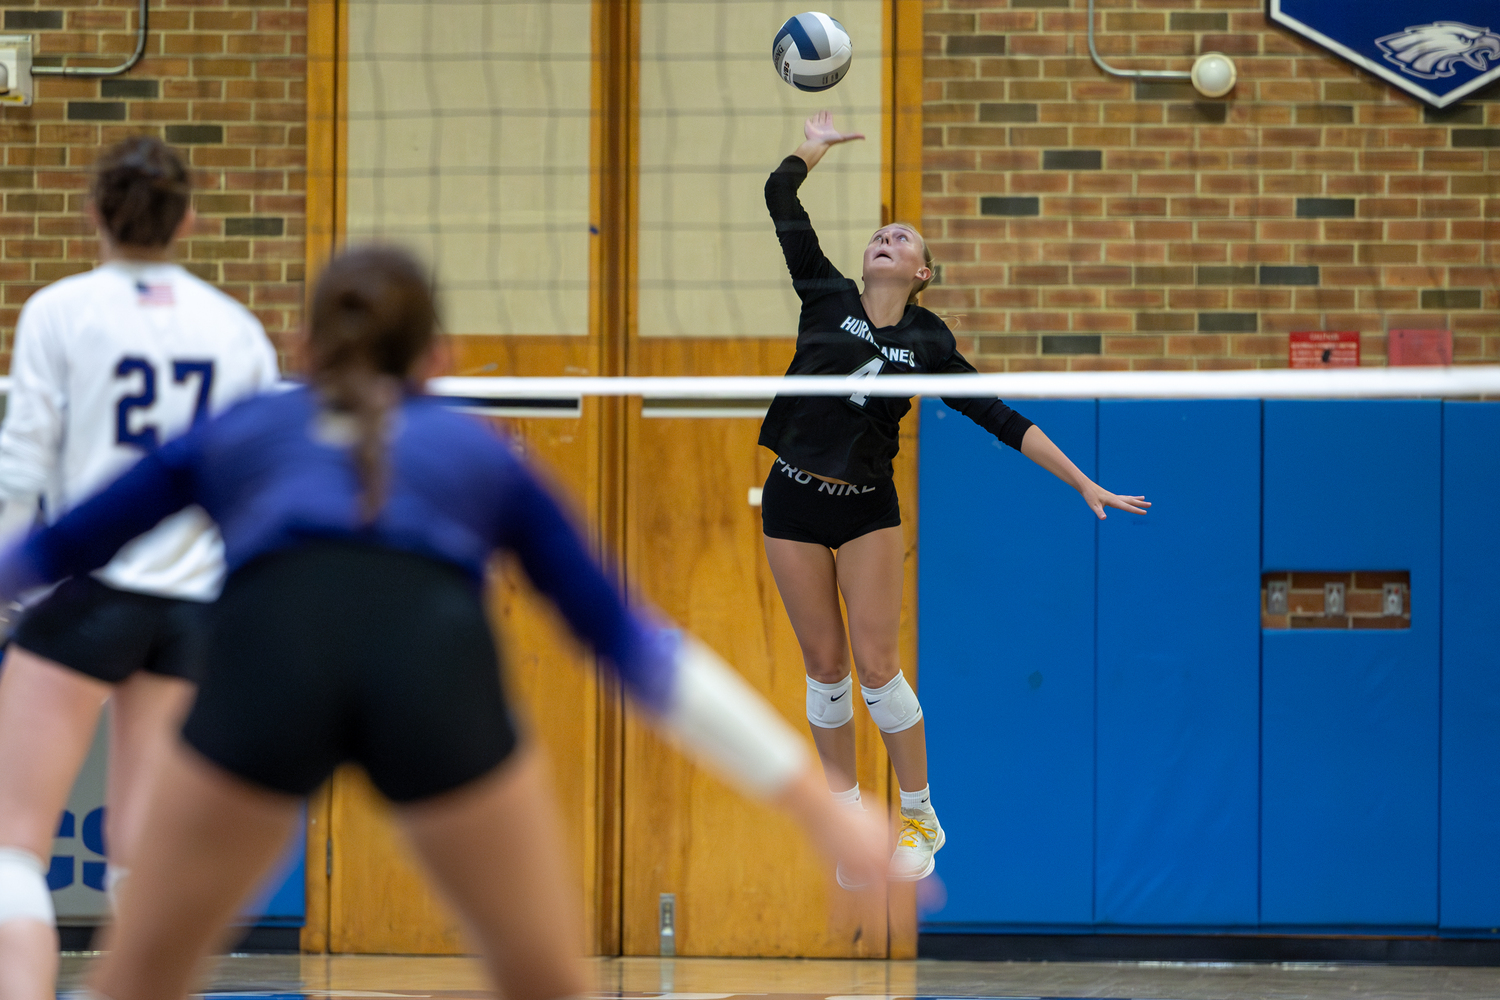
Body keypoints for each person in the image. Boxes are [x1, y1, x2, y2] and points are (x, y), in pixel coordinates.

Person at [0, 246, 888, 1000]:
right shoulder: (477, 451)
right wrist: (822, 810)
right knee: (546, 982)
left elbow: (53, 550)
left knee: (137, 981)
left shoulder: (244, 428)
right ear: (438, 360)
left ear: (302, 349)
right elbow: (632, 645)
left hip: (273, 644)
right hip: (427, 651)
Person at [759, 112, 1150, 886]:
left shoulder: (930, 343)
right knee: (823, 667)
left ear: (922, 274)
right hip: (792, 501)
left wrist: (1082, 481)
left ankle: (919, 814)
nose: (886, 240)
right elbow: (781, 197)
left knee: (875, 667)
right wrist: (814, 146)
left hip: (866, 505)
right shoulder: (823, 295)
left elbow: (1001, 419)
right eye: (882, 235)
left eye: (904, 240)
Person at [0, 136, 279, 1000]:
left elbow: (21, 465)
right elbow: (259, 482)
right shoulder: (236, 329)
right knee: (142, 860)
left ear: (93, 214)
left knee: (12, 845)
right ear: (188, 220)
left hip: (86, 595)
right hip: (191, 607)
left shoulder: (60, 310)